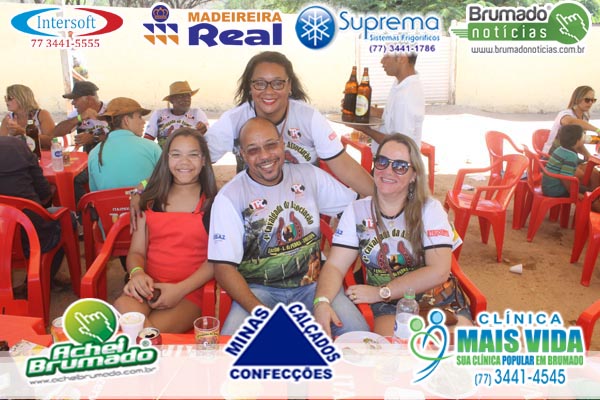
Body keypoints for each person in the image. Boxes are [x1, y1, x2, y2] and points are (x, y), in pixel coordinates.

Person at [207, 117, 369, 335]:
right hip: (258, 291)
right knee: (232, 347)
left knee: (358, 337)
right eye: (253, 150)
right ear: (242, 155)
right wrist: (261, 314)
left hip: (315, 285)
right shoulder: (230, 197)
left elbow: (357, 208)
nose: (265, 156)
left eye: (271, 145)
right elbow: (223, 268)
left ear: (282, 143)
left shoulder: (308, 175)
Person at [314, 134, 470, 337]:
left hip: (436, 297)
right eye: (382, 162)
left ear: (414, 175)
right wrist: (322, 301)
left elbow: (439, 271)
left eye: (400, 166)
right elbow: (335, 265)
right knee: (396, 349)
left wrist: (382, 291)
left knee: (457, 347)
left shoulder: (429, 209)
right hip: (388, 306)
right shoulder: (357, 211)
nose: (388, 171)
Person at [204, 51, 374, 197]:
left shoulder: (309, 118)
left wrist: (382, 200)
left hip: (303, 201)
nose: (269, 91)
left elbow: (344, 166)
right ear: (250, 87)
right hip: (254, 204)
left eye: (278, 83)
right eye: (260, 83)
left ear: (289, 85)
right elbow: (197, 159)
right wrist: (211, 197)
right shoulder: (234, 120)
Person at [113, 128, 217, 333]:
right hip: (148, 286)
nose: (184, 162)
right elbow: (136, 252)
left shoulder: (214, 204)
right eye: (176, 154)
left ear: (204, 160)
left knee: (149, 334)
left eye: (193, 154)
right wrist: (137, 273)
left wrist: (179, 290)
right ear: (166, 159)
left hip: (189, 292)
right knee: (123, 310)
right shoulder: (150, 201)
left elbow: (217, 261)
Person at [0, 136, 67, 291]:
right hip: (31, 233)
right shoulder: (17, 146)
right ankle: (42, 279)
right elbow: (44, 192)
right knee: (65, 219)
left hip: (4, 233)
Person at [350, 53, 425, 152]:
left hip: (397, 159)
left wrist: (365, 129)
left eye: (386, 56)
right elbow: (393, 114)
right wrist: (365, 109)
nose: (382, 61)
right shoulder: (402, 83)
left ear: (402, 58)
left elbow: (400, 144)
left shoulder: (407, 95)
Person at [89, 97, 162, 191]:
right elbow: (165, 181)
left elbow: (94, 193)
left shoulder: (94, 153)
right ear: (126, 120)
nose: (144, 122)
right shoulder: (152, 147)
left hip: (107, 201)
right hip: (145, 200)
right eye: (139, 117)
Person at [542, 124, 600, 211]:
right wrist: (575, 194)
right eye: (583, 135)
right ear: (577, 141)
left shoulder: (560, 149)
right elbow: (565, 178)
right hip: (556, 189)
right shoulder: (571, 156)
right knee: (591, 196)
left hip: (548, 186)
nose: (584, 137)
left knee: (590, 190)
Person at [143, 81, 209, 148]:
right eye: (181, 96)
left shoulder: (197, 113)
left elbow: (208, 138)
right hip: (163, 154)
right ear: (172, 100)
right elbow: (147, 141)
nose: (186, 99)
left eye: (188, 96)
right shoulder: (159, 114)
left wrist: (204, 131)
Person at [52, 81, 109, 153]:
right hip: (91, 156)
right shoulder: (77, 114)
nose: (72, 103)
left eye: (75, 99)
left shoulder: (112, 109)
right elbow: (55, 133)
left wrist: (94, 138)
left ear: (89, 99)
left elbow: (120, 136)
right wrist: (79, 118)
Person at [542, 85, 600, 157]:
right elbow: (570, 122)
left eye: (593, 100)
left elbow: (578, 141)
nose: (590, 103)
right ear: (577, 99)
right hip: (552, 155)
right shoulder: (565, 114)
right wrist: (597, 130)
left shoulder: (585, 117)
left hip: (568, 155)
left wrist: (589, 156)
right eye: (587, 100)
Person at [0, 84, 55, 150]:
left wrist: (22, 132)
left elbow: (50, 142)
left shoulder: (41, 115)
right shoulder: (8, 119)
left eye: (9, 98)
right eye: (6, 98)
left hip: (40, 154)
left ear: (21, 98)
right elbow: (1, 145)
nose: (6, 101)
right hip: (17, 155)